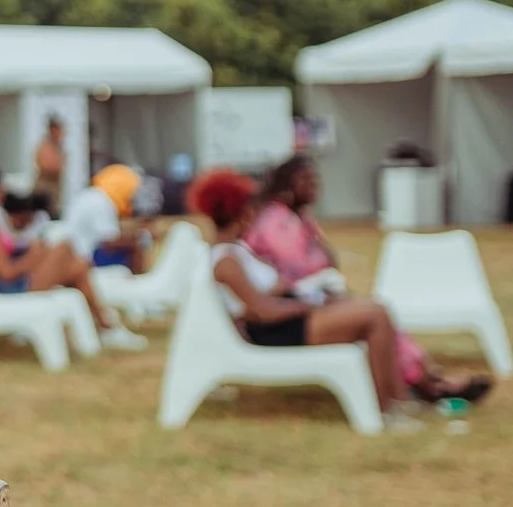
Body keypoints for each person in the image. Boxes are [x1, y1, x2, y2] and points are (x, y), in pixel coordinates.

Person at [187, 167, 425, 428]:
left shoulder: (236, 252)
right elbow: (262, 311)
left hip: (283, 320)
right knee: (375, 317)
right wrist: (309, 305)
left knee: (369, 308)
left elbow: (270, 290)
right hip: (274, 331)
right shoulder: (227, 260)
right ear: (242, 213)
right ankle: (387, 409)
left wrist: (306, 295)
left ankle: (399, 398)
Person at [249, 158, 489, 405]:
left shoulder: (298, 218)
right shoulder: (277, 221)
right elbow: (302, 268)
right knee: (376, 315)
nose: (314, 187)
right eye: (306, 181)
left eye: (316, 180)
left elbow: (326, 262)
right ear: (288, 184)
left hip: (306, 301)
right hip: (290, 314)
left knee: (378, 313)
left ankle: (426, 378)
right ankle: (421, 384)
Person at [0, 166, 144, 349]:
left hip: (4, 283)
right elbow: (6, 272)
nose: (2, 195)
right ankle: (107, 325)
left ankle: (105, 324)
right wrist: (32, 258)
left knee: (77, 266)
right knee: (66, 248)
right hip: (7, 288)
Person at [60, 163, 150, 269]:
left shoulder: (90, 195)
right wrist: (136, 240)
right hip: (85, 257)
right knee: (135, 249)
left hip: (75, 253)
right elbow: (109, 241)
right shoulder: (101, 202)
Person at [31, 114, 67, 206]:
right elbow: (48, 166)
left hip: (55, 191)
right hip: (45, 189)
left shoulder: (59, 148)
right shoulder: (45, 147)